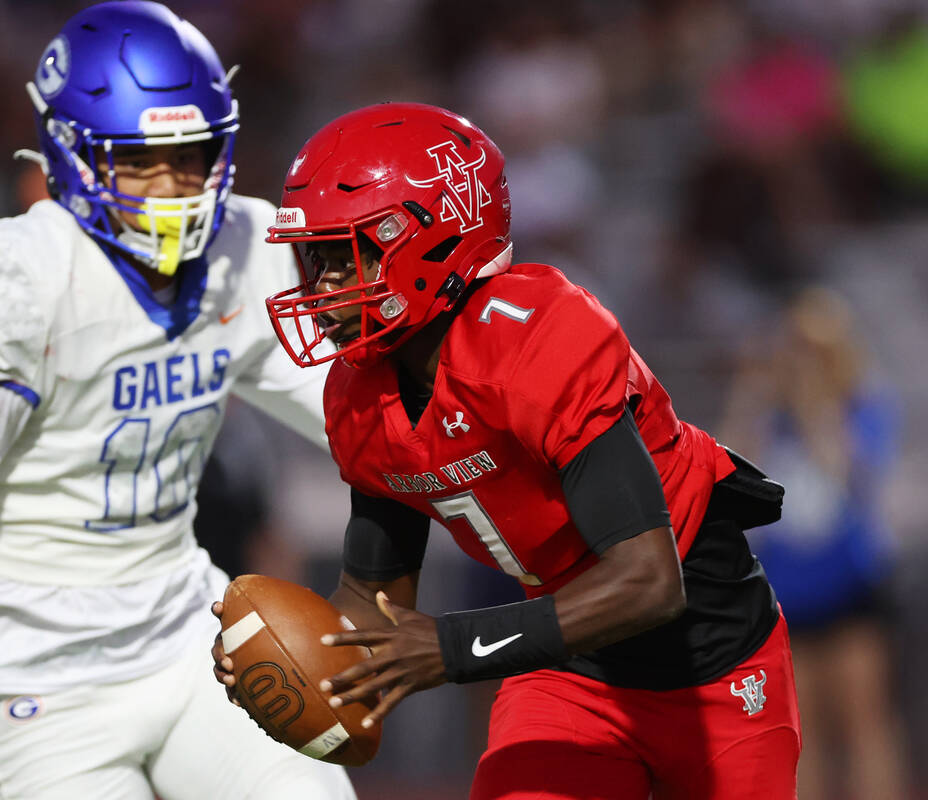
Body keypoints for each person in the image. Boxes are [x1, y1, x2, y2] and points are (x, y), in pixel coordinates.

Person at [214, 102, 800, 799]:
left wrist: (452, 649)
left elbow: (649, 582)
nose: (324, 286)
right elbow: (375, 602)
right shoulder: (358, 394)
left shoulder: (536, 340)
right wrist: (296, 659)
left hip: (718, 665)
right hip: (569, 672)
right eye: (316, 258)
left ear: (432, 240)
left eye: (347, 253)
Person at [0, 3, 353, 799]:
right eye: (140, 161)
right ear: (73, 157)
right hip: (38, 687)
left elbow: (355, 424)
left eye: (190, 157)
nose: (173, 189)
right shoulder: (25, 281)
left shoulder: (239, 250)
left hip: (188, 642)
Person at [720, 287, 908, 800]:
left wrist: (814, 402)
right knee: (805, 735)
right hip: (789, 597)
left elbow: (850, 474)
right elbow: (726, 475)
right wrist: (755, 388)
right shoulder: (767, 421)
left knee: (865, 722)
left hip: (850, 591)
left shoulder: (862, 408)